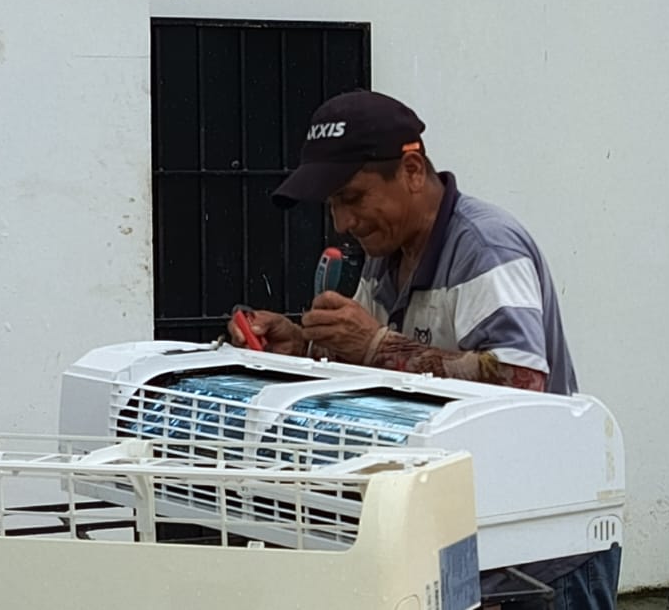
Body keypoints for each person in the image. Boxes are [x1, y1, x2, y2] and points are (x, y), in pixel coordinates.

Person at [226, 89, 620, 610]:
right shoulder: (385, 253)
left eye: (353, 197)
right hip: (458, 537)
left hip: (537, 552)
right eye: (333, 205)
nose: (343, 222)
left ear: (412, 170)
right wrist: (301, 346)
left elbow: (523, 382)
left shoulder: (485, 248)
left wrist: (375, 344)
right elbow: (373, 372)